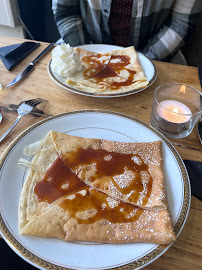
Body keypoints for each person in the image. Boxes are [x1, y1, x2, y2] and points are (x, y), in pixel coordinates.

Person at [52, 0, 202, 65]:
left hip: (159, 57)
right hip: (83, 47)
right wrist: (87, 55)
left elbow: (181, 24)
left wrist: (144, 62)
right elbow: (65, 11)